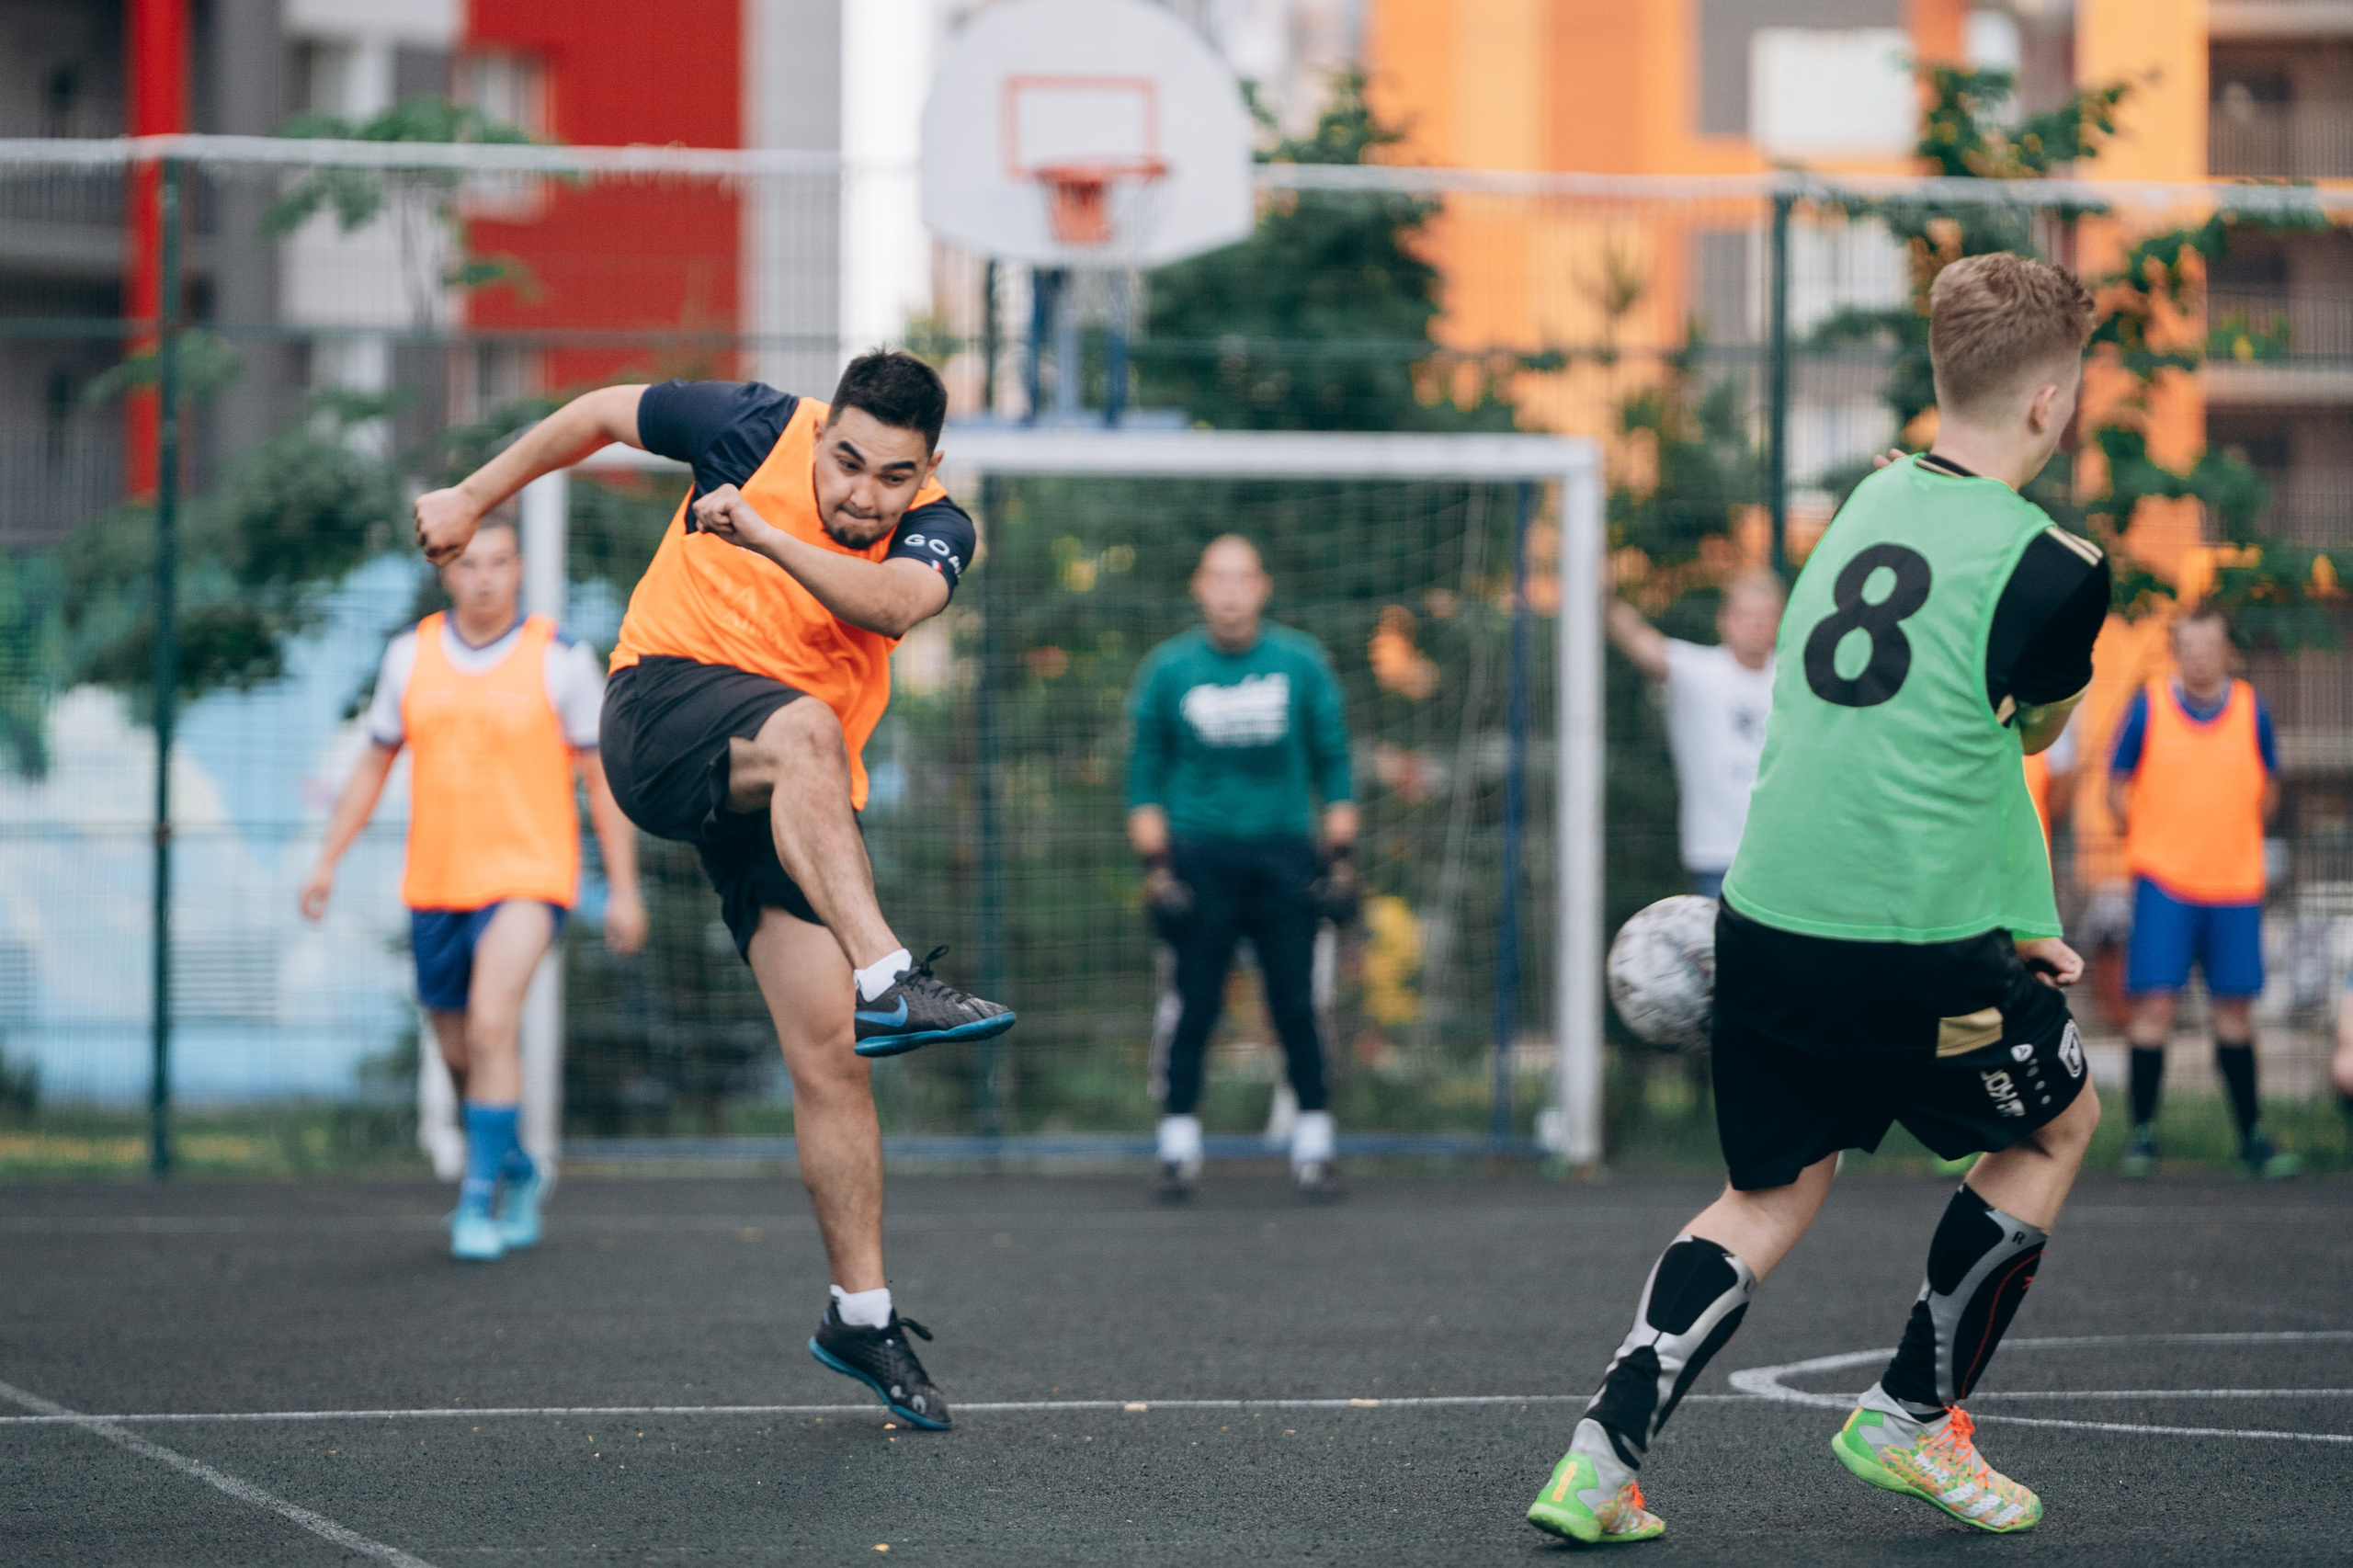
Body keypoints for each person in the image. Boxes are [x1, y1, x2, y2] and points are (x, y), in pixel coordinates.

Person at [1524, 253, 2110, 1545]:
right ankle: (1913, 1412)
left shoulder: (1861, 502)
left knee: (1772, 1188)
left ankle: (1598, 1459)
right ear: (2052, 403)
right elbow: (2014, 744)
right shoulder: (2059, 567)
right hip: (1911, 940)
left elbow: (1907, 742)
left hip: (1769, 912)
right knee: (2060, 1126)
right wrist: (2011, 927)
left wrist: (2011, 921)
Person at [410, 350, 1014, 1432]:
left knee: (830, 1050)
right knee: (807, 731)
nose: (862, 493)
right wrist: (470, 493)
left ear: (929, 467)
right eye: (847, 464)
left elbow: (893, 606)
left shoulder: (941, 526)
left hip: (787, 791)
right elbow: (599, 409)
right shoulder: (747, 423)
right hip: (659, 710)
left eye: (892, 475)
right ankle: (893, 972)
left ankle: (859, 1312)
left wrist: (767, 533)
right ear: (824, 428)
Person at [301, 520, 648, 1262]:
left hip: (529, 876)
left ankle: (476, 1200)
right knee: (460, 1052)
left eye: (498, 562)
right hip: (436, 881)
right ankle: (516, 1166)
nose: (484, 577)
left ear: (518, 569)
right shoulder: (408, 656)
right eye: (468, 564)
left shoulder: (561, 660)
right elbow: (372, 765)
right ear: (446, 574)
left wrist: (624, 889)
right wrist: (328, 858)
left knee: (493, 1027)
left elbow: (601, 783)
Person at [1127, 536, 1357, 1199]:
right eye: (1217, 578)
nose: (1230, 591)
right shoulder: (1169, 669)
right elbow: (1143, 775)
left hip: (1286, 855)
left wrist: (1339, 860)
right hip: (1199, 857)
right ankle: (1177, 1144)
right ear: (1200, 587)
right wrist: (1156, 867)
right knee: (1192, 1005)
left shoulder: (1300, 662)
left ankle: (1314, 1141)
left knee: (1295, 1004)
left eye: (1242, 578)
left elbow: (1334, 761)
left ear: (1263, 587)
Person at [2105, 606, 2297, 1179]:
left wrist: (2237, 833)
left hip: (2234, 885)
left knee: (2233, 1013)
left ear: (2225, 651)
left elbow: (2271, 786)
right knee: (2155, 1006)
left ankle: (2252, 1137)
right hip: (2165, 883)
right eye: (2188, 647)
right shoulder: (2149, 706)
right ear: (2176, 652)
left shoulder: (2249, 709)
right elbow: (2116, 783)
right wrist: (2139, 829)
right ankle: (2142, 1135)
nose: (2199, 657)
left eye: (2208, 647)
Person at [1606, 569, 1783, 897]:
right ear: (1725, 619)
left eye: (1765, 616)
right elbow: (1640, 642)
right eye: (1746, 615)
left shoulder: (1795, 680)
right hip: (1718, 858)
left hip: (1784, 860)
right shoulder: (1699, 672)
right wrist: (1603, 597)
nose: (1755, 625)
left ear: (1780, 622)